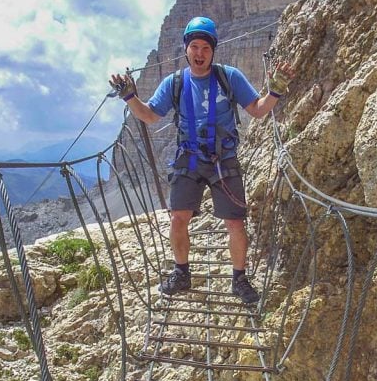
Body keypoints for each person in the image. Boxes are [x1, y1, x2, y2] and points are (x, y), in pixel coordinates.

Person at [110, 16, 294, 304]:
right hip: (190, 159)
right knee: (177, 217)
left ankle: (239, 278)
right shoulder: (174, 83)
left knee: (234, 222)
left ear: (213, 51)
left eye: (205, 48)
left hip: (224, 159)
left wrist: (275, 91)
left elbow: (258, 110)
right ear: (186, 50)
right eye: (194, 47)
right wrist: (130, 96)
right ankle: (182, 273)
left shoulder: (229, 76)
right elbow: (149, 115)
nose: (199, 53)